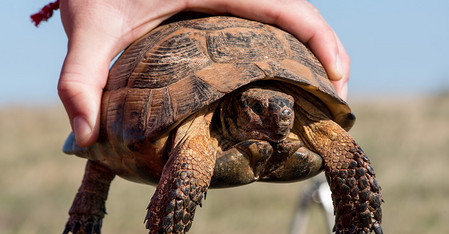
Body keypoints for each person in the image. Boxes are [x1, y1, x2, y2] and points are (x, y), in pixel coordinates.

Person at [56, 0, 350, 147]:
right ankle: (93, 186)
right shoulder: (196, 136)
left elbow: (340, 147)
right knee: (105, 162)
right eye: (260, 108)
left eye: (289, 108)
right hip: (184, 101)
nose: (284, 116)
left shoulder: (304, 120)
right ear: (239, 106)